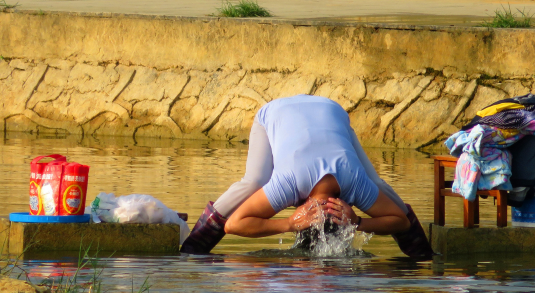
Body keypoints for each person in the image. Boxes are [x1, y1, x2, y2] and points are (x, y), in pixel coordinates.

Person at [180, 95, 434, 259]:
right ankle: (191, 250)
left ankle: (189, 255)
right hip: (275, 113)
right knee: (254, 182)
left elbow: (400, 222)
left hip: (333, 110)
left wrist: (358, 222)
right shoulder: (289, 183)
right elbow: (232, 224)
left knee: (376, 182)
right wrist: (291, 225)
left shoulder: (354, 182)